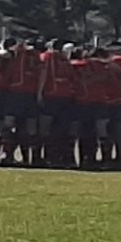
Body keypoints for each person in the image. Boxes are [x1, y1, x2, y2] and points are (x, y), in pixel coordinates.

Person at [37, 40, 76, 168]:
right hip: (66, 96)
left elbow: (43, 74)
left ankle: (44, 157)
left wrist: (39, 93)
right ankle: (61, 157)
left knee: (45, 128)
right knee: (61, 129)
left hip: (51, 95)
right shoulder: (65, 59)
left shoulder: (47, 57)